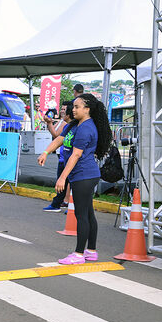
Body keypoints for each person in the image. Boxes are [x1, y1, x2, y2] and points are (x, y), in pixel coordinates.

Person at [38, 94, 112, 265]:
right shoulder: (74, 125)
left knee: (81, 215)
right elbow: (59, 139)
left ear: (87, 109)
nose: (74, 109)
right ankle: (91, 251)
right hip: (82, 175)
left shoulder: (86, 128)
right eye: (74, 106)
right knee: (88, 213)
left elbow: (77, 154)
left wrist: (62, 178)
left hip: (84, 175)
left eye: (77, 106)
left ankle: (79, 254)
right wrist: (45, 152)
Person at [43, 100, 74, 212]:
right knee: (62, 182)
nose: (61, 111)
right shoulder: (63, 122)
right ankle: (58, 203)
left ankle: (69, 206)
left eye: (64, 110)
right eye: (61, 109)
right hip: (62, 157)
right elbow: (56, 135)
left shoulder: (71, 126)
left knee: (69, 183)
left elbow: (57, 136)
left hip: (70, 159)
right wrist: (49, 122)